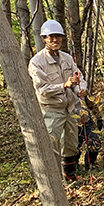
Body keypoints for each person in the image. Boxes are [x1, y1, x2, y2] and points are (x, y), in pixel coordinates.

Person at [28, 19, 86, 182]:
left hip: (70, 110)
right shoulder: (36, 63)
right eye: (51, 37)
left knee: (71, 145)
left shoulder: (67, 58)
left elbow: (78, 77)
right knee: (51, 147)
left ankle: (69, 176)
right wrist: (64, 85)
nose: (55, 40)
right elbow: (42, 90)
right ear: (44, 39)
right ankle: (52, 182)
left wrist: (81, 88)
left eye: (58, 37)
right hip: (51, 111)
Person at [76, 92, 103, 171]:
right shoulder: (65, 89)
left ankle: (90, 164)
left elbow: (91, 103)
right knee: (74, 148)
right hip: (73, 124)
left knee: (95, 142)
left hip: (87, 122)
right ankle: (74, 165)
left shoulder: (81, 87)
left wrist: (99, 118)